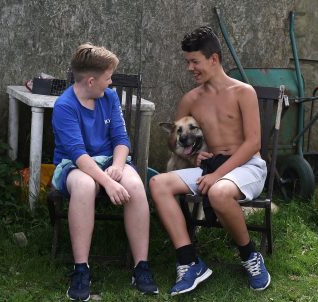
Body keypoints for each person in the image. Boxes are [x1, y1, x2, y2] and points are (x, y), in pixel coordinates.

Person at [149, 26, 271, 296]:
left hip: (248, 166)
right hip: (211, 167)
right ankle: (189, 261)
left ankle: (250, 256)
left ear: (213, 59)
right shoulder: (191, 99)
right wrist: (194, 154)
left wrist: (217, 175)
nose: (190, 68)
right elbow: (176, 141)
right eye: (187, 62)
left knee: (218, 192)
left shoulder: (243, 92)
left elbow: (253, 143)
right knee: (158, 183)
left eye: (195, 61)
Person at [51, 43, 158, 301]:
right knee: (87, 185)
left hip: (109, 160)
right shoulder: (65, 106)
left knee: (134, 184)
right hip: (73, 165)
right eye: (108, 78)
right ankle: (81, 269)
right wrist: (107, 183)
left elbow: (121, 139)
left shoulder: (108, 98)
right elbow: (78, 154)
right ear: (90, 80)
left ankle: (140, 266)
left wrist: (118, 167)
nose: (110, 84)